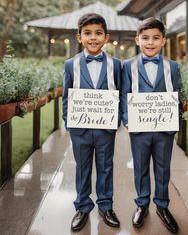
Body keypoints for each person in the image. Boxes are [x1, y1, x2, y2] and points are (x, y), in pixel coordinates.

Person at [121, 17, 181, 234]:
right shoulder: (127, 66)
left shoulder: (173, 67)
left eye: (156, 38)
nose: (150, 42)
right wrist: (126, 118)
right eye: (145, 38)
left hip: (164, 129)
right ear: (137, 40)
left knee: (163, 168)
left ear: (163, 41)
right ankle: (142, 204)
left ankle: (162, 206)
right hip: (139, 129)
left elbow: (177, 94)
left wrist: (175, 119)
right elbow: (124, 94)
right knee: (140, 166)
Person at [62, 13, 121, 232]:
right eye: (87, 33)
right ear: (79, 37)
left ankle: (106, 206)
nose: (93, 38)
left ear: (106, 37)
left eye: (98, 33)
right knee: (82, 168)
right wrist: (70, 122)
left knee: (106, 167)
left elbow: (121, 94)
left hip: (106, 129)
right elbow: (66, 97)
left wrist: (118, 120)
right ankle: (82, 207)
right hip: (81, 129)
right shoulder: (71, 65)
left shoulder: (116, 65)